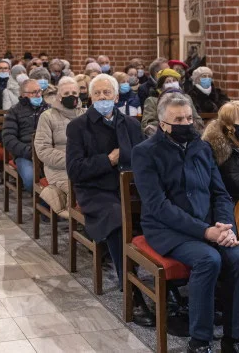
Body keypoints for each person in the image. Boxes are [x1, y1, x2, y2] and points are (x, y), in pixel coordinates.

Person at [132, 93, 239, 353]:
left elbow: (220, 193)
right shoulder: (146, 153)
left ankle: (234, 337)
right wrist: (205, 232)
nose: (186, 123)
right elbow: (158, 206)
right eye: (178, 119)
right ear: (162, 124)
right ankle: (200, 341)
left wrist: (225, 227)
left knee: (237, 259)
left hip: (210, 226)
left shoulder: (201, 147)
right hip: (168, 229)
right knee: (209, 260)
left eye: (189, 118)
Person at [65, 74, 154, 327]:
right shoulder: (78, 126)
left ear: (116, 97)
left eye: (107, 94)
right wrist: (108, 160)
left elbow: (143, 159)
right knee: (118, 219)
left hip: (130, 189)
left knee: (158, 210)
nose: (103, 98)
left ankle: (167, 285)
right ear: (90, 97)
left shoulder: (130, 124)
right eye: (97, 94)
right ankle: (131, 291)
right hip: (96, 191)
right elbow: (74, 170)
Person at [33, 76, 83, 214]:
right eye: (66, 94)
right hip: (59, 168)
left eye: (74, 93)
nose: (70, 96)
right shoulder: (47, 116)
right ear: (59, 97)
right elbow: (42, 149)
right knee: (79, 189)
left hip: (85, 165)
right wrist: (72, 160)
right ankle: (77, 223)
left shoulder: (86, 114)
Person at [2, 78, 49, 191]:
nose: (38, 95)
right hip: (25, 154)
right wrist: (29, 152)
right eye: (34, 92)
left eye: (39, 91)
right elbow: (8, 138)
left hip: (47, 152)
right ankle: (41, 203)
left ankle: (48, 205)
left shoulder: (48, 109)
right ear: (23, 95)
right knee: (30, 180)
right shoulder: (14, 111)